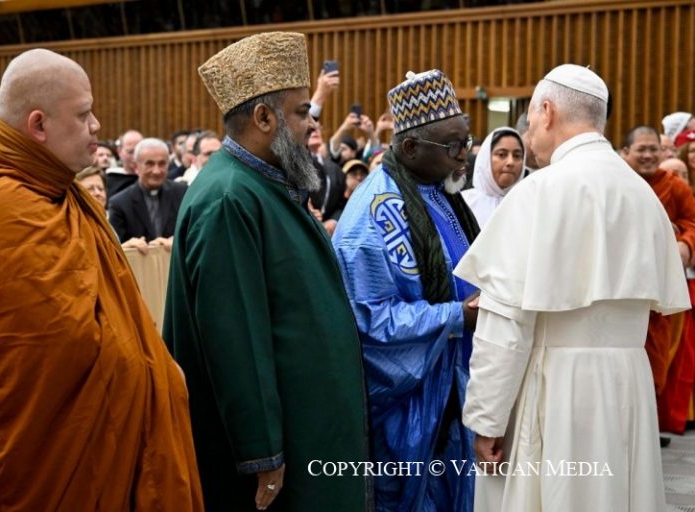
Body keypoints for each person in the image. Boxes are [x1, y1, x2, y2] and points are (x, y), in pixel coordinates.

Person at [0, 48, 203, 511]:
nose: (96, 125)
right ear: (38, 125)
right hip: (47, 467)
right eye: (83, 114)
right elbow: (54, 356)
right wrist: (151, 380)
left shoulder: (55, 188)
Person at [455, 64, 689, 512]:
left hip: (559, 388)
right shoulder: (643, 195)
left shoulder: (537, 193)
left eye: (530, 119)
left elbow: (505, 326)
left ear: (546, 112)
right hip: (629, 385)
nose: (529, 133)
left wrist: (487, 420)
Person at [163, 32, 370, 512]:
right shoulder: (230, 198)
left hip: (305, 431)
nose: (312, 125)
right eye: (302, 112)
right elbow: (235, 339)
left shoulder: (262, 184)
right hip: (275, 462)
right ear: (263, 118)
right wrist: (263, 454)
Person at [332, 68, 479, 512]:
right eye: (452, 146)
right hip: (405, 410)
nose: (464, 156)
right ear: (411, 147)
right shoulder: (372, 216)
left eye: (466, 141)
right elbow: (367, 320)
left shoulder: (440, 192)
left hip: (452, 391)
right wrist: (456, 316)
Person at [621, 126, 695, 443]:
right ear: (626, 153)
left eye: (654, 149)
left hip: (658, 295)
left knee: (656, 361)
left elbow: (692, 222)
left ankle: (646, 430)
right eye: (641, 149)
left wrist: (686, 244)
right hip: (621, 290)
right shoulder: (618, 182)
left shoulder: (674, 185)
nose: (649, 155)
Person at [108, 137, 187, 250]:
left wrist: (178, 241)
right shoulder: (120, 203)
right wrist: (127, 246)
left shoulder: (183, 194)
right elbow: (113, 248)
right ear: (136, 166)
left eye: (162, 164)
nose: (156, 171)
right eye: (150, 164)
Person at [461, 127, 525, 228]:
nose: (511, 162)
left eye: (517, 156)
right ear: (486, 158)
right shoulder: (463, 203)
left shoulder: (529, 204)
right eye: (502, 154)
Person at [106, 128, 142, 197]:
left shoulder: (153, 180)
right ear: (120, 151)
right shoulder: (109, 180)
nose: (135, 157)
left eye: (139, 151)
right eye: (130, 152)